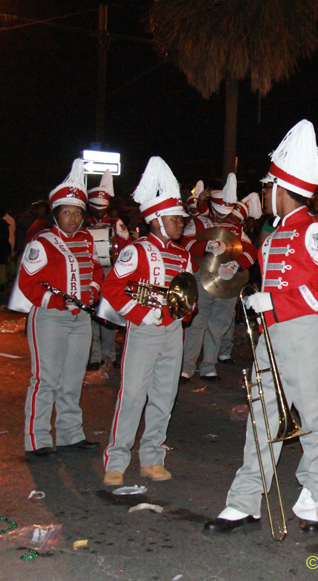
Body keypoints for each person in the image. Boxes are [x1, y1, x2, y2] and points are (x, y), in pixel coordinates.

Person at [205, 120, 318, 534]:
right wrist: (259, 300)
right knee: (263, 417)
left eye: (270, 188)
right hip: (272, 335)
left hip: (303, 334)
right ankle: (245, 501)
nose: (267, 194)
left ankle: (313, 494)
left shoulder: (314, 231)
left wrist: (276, 302)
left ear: (282, 190)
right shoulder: (275, 233)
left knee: (314, 419)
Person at [99, 157, 193, 486]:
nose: (181, 224)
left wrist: (185, 311)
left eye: (181, 219)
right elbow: (111, 287)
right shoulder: (136, 251)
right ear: (156, 220)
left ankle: (152, 457)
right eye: (175, 219)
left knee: (165, 395)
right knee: (133, 395)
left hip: (173, 331)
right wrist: (139, 313)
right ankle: (117, 459)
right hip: (144, 330)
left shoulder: (183, 255)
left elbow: (188, 295)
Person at [10, 159, 103, 458]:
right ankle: (36, 439)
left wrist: (94, 291)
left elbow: (96, 270)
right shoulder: (43, 242)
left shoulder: (87, 239)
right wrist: (58, 301)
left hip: (81, 319)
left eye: (78, 213)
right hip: (50, 318)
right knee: (45, 379)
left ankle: (70, 434)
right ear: (56, 214)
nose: (73, 219)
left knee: (73, 379)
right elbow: (28, 283)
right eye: (67, 212)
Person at [180, 173, 258, 383]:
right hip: (201, 278)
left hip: (226, 282)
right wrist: (205, 246)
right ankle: (187, 366)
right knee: (197, 323)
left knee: (218, 325)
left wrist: (236, 264)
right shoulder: (198, 222)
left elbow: (251, 251)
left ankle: (209, 364)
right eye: (219, 212)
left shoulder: (236, 228)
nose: (223, 217)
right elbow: (185, 244)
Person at [85, 170, 131, 371]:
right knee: (91, 312)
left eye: (102, 207)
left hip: (111, 271)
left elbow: (127, 248)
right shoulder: (83, 223)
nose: (99, 211)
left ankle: (109, 354)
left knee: (108, 314)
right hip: (89, 271)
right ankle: (94, 355)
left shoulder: (116, 224)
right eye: (96, 207)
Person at [217, 192, 262, 365]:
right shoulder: (217, 226)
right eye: (231, 217)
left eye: (236, 219)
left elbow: (251, 252)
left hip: (231, 277)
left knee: (227, 316)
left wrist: (237, 264)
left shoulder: (239, 232)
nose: (232, 221)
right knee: (215, 319)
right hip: (212, 276)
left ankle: (224, 350)